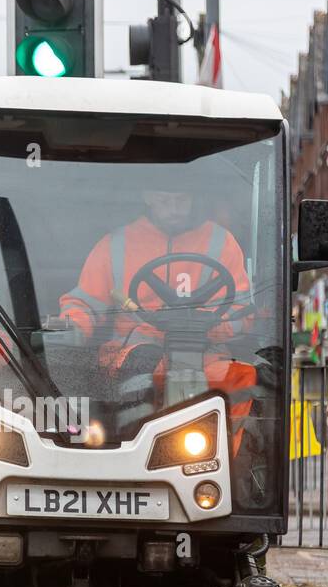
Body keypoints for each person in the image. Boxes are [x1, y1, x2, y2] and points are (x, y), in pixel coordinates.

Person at [56, 190, 264, 475]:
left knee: (242, 378)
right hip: (133, 349)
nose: (175, 208)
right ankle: (132, 464)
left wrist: (209, 328)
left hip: (204, 351)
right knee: (144, 370)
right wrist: (72, 327)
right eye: (166, 200)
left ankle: (221, 470)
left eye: (182, 199)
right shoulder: (116, 245)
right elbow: (84, 301)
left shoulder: (221, 242)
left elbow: (242, 309)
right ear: (149, 197)